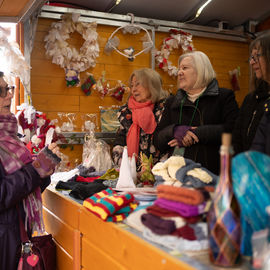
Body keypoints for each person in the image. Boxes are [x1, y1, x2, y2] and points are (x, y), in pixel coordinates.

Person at [0, 71, 61, 270]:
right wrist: (36, 170)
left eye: (8, 89)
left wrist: (45, 168)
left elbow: (24, 189)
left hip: (15, 236)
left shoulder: (9, 137)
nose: (9, 95)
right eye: (1, 91)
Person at [153, 51, 239, 174]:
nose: (179, 72)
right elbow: (157, 141)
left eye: (185, 68)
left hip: (212, 173)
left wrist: (196, 133)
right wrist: (174, 131)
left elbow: (233, 130)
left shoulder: (224, 97)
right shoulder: (172, 101)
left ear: (201, 70)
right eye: (179, 69)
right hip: (177, 175)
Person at [112, 68, 168, 168]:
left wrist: (156, 171)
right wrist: (123, 166)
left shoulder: (164, 109)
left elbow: (169, 144)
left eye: (138, 84)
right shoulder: (126, 112)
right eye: (132, 85)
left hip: (160, 171)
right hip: (131, 171)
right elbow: (119, 140)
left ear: (152, 85)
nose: (133, 89)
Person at [232, 32, 270, 155]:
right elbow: (236, 138)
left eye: (257, 56)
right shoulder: (250, 99)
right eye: (251, 57)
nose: (251, 62)